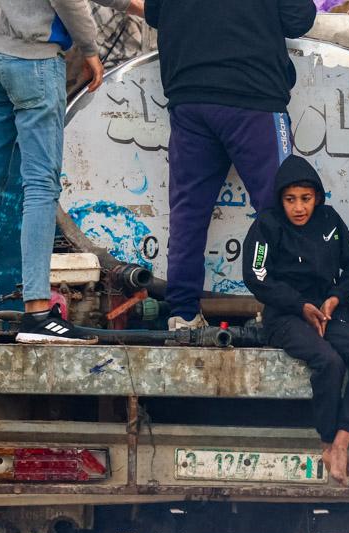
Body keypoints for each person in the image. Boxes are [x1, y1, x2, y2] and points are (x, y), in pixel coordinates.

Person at [0, 0, 144, 345]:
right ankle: (38, 313)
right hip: (33, 60)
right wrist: (90, 49)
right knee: (40, 186)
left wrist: (136, 5)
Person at [143, 0, 317, 331]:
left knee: (188, 212)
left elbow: (155, 15)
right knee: (280, 208)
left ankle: (182, 313)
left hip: (189, 96)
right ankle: (283, 309)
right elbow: (300, 20)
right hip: (254, 96)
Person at [242, 156, 349, 487]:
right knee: (328, 361)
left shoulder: (330, 222)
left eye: (306, 198)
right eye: (291, 200)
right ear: (280, 200)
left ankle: (342, 443)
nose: (299, 208)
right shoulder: (267, 225)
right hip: (285, 317)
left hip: (328, 314)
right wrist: (299, 304)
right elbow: (255, 275)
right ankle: (326, 444)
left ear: (317, 197)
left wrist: (335, 297)